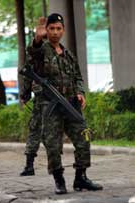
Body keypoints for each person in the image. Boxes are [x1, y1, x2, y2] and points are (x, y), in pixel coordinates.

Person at [19, 13, 103, 194]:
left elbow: (78, 77)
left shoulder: (69, 55)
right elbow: (32, 56)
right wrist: (36, 40)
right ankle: (59, 180)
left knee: (84, 138)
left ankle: (81, 178)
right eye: (51, 29)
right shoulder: (42, 50)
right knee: (53, 146)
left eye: (58, 28)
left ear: (63, 30)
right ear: (46, 30)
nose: (55, 32)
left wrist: (80, 93)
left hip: (70, 104)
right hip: (50, 107)